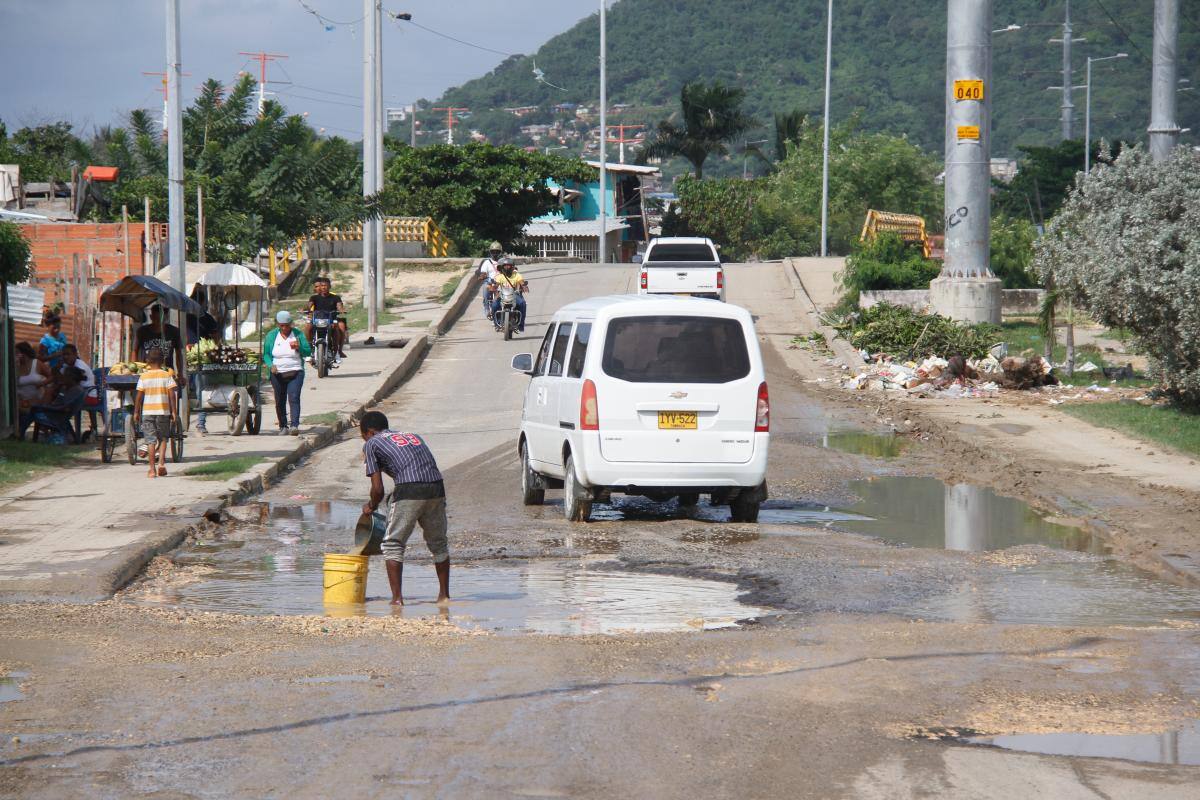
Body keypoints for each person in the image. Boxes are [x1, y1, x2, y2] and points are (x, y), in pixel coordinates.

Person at [359, 410, 449, 605]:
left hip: (410, 489)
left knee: (392, 544)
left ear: (370, 432)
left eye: (363, 436)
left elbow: (378, 489)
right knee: (438, 543)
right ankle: (444, 597)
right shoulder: (412, 436)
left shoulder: (372, 443)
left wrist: (371, 506)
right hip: (436, 487)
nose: (364, 441)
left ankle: (397, 600)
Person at [263, 310, 311, 436]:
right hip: (277, 373)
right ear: (278, 325)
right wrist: (271, 365)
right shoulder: (272, 336)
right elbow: (266, 354)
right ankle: (283, 426)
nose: (284, 328)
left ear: (291, 324)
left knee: (294, 397)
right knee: (280, 400)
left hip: (295, 371)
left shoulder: (298, 334)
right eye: (282, 325)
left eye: (287, 325)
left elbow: (308, 352)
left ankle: (294, 425)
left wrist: (299, 347)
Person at [133, 348, 178, 478]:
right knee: (163, 438)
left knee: (150, 441)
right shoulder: (167, 375)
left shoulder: (143, 376)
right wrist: (174, 411)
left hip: (148, 413)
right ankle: (161, 464)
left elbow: (139, 396)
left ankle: (152, 470)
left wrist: (136, 412)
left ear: (147, 361)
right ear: (163, 361)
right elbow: (172, 395)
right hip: (163, 412)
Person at [19, 366, 87, 441]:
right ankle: (22, 433)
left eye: (65, 376)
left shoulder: (76, 390)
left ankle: (20, 434)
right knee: (33, 408)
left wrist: (48, 407)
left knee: (33, 410)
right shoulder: (66, 387)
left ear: (71, 378)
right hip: (55, 412)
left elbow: (65, 408)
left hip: (57, 416)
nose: (63, 378)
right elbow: (59, 400)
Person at [305, 276, 348, 362]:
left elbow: (339, 306)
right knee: (308, 326)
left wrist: (342, 310)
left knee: (337, 328)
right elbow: (309, 306)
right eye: (322, 285)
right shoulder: (314, 298)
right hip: (318, 320)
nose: (323, 287)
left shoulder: (335, 297)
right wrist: (305, 309)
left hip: (331, 320)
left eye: (325, 285)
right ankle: (310, 348)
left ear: (329, 287)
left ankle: (337, 351)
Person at [135, 305, 185, 376]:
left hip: (167, 372)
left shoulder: (174, 331)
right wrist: (135, 370)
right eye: (156, 319)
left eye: (162, 319)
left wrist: (180, 374)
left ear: (166, 318)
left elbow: (179, 353)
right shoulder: (142, 331)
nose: (159, 322)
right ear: (151, 317)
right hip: (147, 371)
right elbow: (135, 350)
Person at [489, 257, 529, 333]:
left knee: (522, 303)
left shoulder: (517, 275)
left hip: (514, 294)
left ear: (512, 267)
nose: (507, 267)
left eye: (509, 266)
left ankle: (521, 325)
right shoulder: (500, 276)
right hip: (502, 294)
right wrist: (492, 287)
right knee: (494, 305)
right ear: (502, 267)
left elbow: (522, 282)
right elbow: (496, 285)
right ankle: (497, 324)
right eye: (505, 266)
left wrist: (524, 287)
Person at [15, 342, 52, 408]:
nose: (15, 355)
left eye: (17, 353)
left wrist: (43, 383)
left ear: (24, 353)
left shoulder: (37, 363)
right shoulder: (15, 366)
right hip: (21, 404)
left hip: (37, 402)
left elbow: (52, 376)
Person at [478, 241, 504, 319]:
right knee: (485, 289)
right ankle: (487, 308)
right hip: (490, 282)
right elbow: (483, 272)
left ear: (500, 252)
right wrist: (482, 276)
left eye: (497, 252)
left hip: (501, 282)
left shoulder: (503, 262)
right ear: (490, 252)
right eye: (493, 251)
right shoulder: (487, 262)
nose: (495, 253)